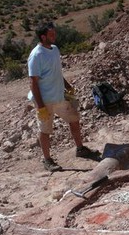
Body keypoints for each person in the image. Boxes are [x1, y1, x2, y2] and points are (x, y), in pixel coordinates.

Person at [27, 22, 100, 172]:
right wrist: (40, 107)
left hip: (59, 96)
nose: (55, 36)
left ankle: (80, 148)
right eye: (51, 34)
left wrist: (67, 86)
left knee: (74, 119)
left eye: (55, 33)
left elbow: (57, 72)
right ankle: (47, 160)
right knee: (45, 130)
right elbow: (32, 83)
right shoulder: (36, 55)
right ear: (43, 37)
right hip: (45, 100)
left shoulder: (54, 50)